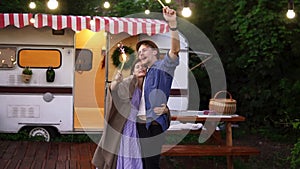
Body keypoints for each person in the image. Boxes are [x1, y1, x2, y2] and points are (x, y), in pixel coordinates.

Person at [92, 59, 170, 169]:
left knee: (139, 153)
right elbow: (114, 91)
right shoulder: (129, 82)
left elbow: (159, 104)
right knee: (128, 151)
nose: (141, 68)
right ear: (133, 72)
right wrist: (115, 82)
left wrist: (166, 110)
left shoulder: (149, 87)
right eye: (138, 67)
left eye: (143, 66)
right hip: (127, 124)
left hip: (141, 126)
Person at [136, 6, 180, 169]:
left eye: (145, 50)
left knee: (151, 165)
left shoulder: (163, 68)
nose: (140, 53)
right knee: (142, 164)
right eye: (139, 52)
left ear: (155, 52)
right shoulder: (143, 74)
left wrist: (173, 24)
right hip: (139, 125)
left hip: (152, 125)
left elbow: (175, 50)